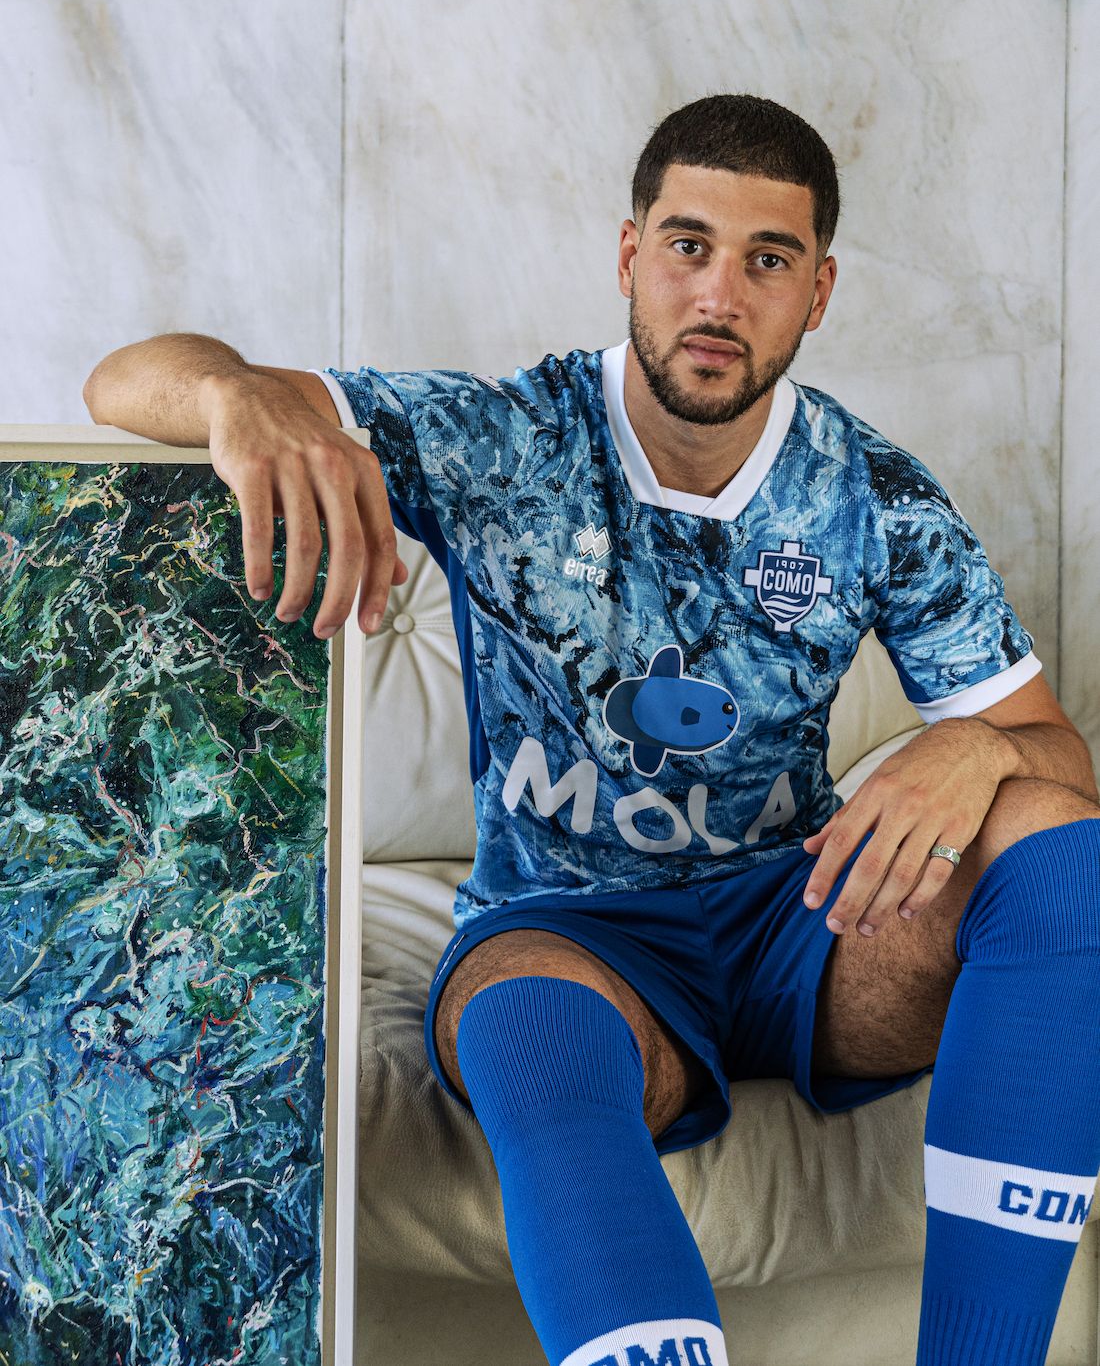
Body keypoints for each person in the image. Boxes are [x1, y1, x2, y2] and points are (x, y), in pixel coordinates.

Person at [85, 94, 1100, 1366]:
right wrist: (239, 391)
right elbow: (119, 381)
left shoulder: (874, 495)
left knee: (1060, 843)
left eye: (766, 260)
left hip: (799, 920)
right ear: (629, 256)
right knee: (529, 1028)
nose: (717, 295)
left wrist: (983, 745)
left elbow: (1054, 759)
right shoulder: (505, 438)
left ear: (817, 292)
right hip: (567, 928)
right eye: (687, 246)